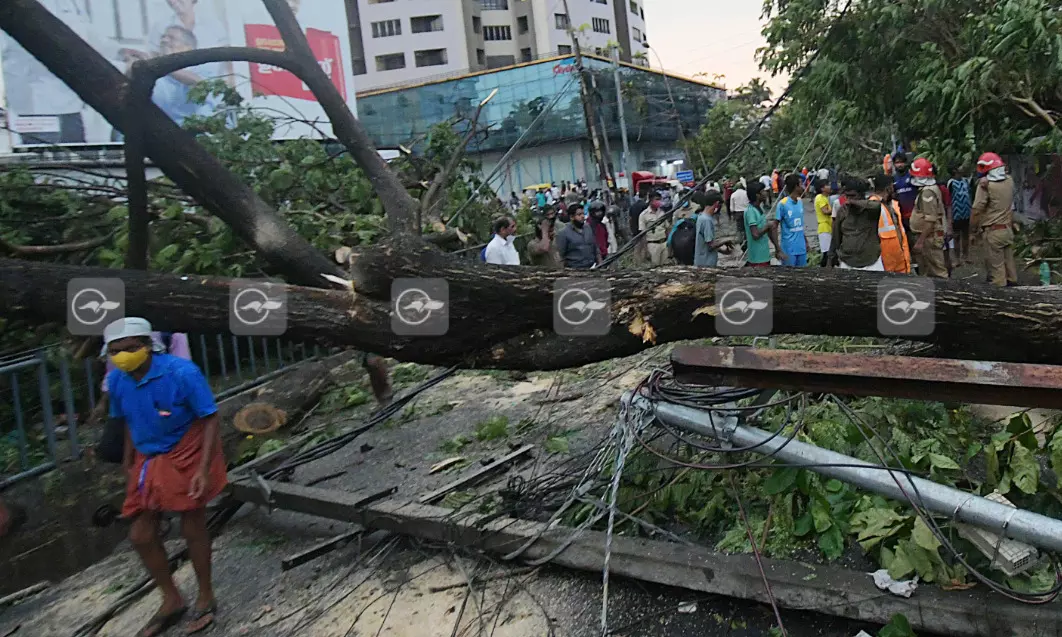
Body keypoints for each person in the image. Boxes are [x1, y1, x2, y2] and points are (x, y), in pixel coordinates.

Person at [104, 317, 226, 636]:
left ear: (147, 346)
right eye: (116, 351)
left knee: (192, 525)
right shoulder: (118, 381)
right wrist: (129, 459)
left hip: (187, 448)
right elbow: (128, 420)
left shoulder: (182, 373)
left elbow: (210, 418)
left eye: (130, 348)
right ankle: (171, 598)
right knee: (141, 535)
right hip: (148, 455)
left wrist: (202, 468)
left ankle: (205, 594)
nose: (123, 356)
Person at [971, 152, 1018, 287]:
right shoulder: (1009, 181)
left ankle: (1000, 300)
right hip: (1007, 230)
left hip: (993, 232)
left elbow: (976, 210)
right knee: (1010, 266)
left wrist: (973, 230)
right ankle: (1017, 292)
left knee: (997, 272)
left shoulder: (985, 186)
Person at [828, 176, 886, 270]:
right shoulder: (843, 211)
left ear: (861, 195)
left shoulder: (871, 210)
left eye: (852, 196)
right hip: (847, 262)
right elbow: (835, 238)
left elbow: (877, 205)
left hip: (871, 263)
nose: (848, 200)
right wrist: (830, 259)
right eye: (847, 196)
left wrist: (855, 203)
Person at [909, 158, 951, 278]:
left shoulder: (928, 192)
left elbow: (930, 219)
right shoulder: (930, 189)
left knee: (938, 271)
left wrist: (920, 241)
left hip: (930, 237)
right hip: (929, 236)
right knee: (927, 271)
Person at [869, 172, 911, 274]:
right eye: (892, 186)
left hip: (900, 258)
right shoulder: (872, 206)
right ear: (888, 188)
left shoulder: (893, 204)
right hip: (886, 260)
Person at [744, 182, 785, 267]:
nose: (766, 192)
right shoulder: (750, 211)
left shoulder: (760, 208)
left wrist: (777, 248)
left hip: (765, 254)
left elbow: (767, 230)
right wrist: (768, 226)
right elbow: (755, 234)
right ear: (757, 195)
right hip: (757, 258)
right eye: (762, 191)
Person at [694, 190, 733, 267]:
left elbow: (707, 244)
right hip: (706, 263)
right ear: (717, 204)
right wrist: (724, 241)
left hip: (701, 260)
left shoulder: (701, 216)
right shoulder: (707, 220)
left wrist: (722, 251)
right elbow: (711, 245)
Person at [777, 174, 809, 266]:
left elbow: (799, 225)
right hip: (788, 249)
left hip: (801, 248)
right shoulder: (782, 204)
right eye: (801, 184)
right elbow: (774, 226)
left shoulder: (800, 202)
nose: (803, 186)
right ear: (796, 186)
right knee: (789, 276)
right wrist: (778, 250)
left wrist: (806, 242)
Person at [555, 205, 601, 269]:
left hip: (592, 267)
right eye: (579, 214)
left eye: (583, 214)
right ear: (571, 217)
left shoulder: (588, 228)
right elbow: (560, 256)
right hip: (575, 270)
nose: (582, 216)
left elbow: (596, 249)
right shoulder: (564, 233)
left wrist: (600, 264)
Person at [947, 166, 973, 266]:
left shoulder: (966, 181)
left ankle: (966, 256)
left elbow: (969, 194)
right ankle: (957, 258)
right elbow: (948, 199)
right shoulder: (951, 183)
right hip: (956, 213)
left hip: (966, 212)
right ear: (954, 170)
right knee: (956, 236)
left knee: (966, 235)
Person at [639, 192, 671, 266]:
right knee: (655, 268)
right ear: (650, 200)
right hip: (652, 245)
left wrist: (669, 244)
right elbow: (642, 234)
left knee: (666, 268)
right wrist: (645, 250)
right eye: (656, 200)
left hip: (664, 243)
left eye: (659, 199)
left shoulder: (662, 213)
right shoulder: (644, 215)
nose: (658, 202)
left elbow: (667, 228)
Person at [892, 151, 918, 237]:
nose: (900, 165)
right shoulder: (893, 179)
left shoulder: (912, 176)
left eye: (901, 162)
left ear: (906, 163)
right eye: (897, 162)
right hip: (901, 217)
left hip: (915, 215)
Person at [814, 179, 834, 267]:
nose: (830, 187)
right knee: (827, 253)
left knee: (828, 251)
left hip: (827, 226)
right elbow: (825, 211)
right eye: (827, 185)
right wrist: (836, 210)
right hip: (824, 227)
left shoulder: (824, 198)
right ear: (822, 188)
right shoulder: (820, 198)